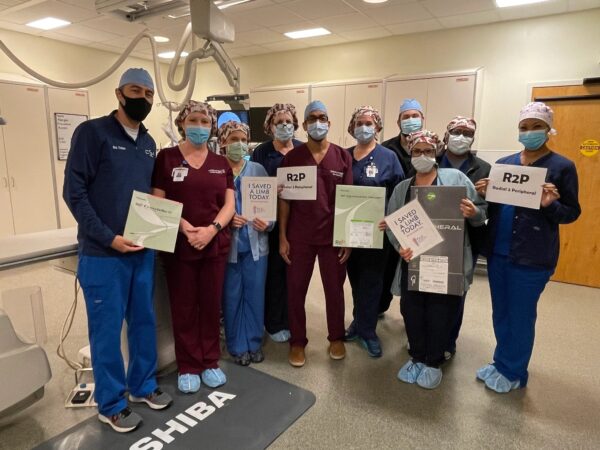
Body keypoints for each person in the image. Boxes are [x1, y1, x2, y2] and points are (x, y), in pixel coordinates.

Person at [63, 68, 172, 433]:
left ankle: (142, 386)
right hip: (102, 254)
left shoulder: (148, 143)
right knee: (106, 331)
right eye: (134, 90)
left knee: (143, 321)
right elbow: (74, 193)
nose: (142, 97)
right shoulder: (92, 134)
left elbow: (149, 195)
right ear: (119, 93)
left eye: (148, 92)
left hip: (142, 251)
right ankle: (110, 403)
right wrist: (108, 237)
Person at [475, 102, 580, 393]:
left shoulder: (562, 167)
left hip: (532, 256)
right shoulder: (505, 164)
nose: (529, 132)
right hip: (499, 251)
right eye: (524, 127)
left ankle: (514, 371)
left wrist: (551, 205)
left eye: (536, 127)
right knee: (501, 312)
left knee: (521, 314)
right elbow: (497, 207)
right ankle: (501, 361)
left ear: (548, 130)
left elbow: (572, 213)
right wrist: (486, 192)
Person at [386, 130, 486, 389]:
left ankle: (433, 361)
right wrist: (401, 247)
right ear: (410, 153)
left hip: (446, 262)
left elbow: (482, 213)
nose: (422, 156)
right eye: (417, 151)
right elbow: (394, 223)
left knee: (441, 311)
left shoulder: (455, 179)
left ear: (436, 152)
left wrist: (473, 211)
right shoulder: (403, 188)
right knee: (413, 310)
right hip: (414, 262)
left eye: (428, 151)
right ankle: (417, 356)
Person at [151, 100, 235, 393]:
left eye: (205, 121)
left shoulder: (221, 163)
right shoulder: (167, 158)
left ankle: (210, 361)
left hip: (214, 244)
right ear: (182, 124)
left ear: (212, 126)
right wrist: (185, 227)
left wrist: (211, 230)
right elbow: (158, 199)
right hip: (179, 243)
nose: (199, 126)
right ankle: (187, 365)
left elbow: (229, 204)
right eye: (194, 120)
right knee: (183, 306)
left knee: (211, 305)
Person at [279, 100, 353, 367]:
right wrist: (283, 237)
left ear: (329, 124)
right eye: (312, 118)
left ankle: (336, 338)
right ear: (305, 124)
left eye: (322, 117)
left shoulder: (343, 157)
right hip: (299, 235)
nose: (317, 122)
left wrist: (347, 238)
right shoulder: (293, 158)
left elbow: (349, 201)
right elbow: (285, 200)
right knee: (296, 290)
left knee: (335, 290)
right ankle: (297, 342)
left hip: (333, 237)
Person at [343, 106, 404, 358]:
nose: (363, 127)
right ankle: (359, 322)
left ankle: (368, 331)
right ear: (351, 127)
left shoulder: (388, 157)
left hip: (377, 233)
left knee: (372, 280)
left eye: (369, 123)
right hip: (347, 231)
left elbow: (400, 194)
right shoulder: (344, 156)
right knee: (355, 279)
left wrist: (390, 219)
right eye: (359, 122)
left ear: (377, 127)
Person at [219, 120, 273, 366]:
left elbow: (270, 209)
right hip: (228, 246)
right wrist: (226, 221)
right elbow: (209, 207)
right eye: (233, 140)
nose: (239, 144)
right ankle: (237, 345)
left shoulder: (258, 170)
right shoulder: (217, 171)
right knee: (232, 297)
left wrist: (268, 223)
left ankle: (253, 342)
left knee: (255, 295)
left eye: (243, 139)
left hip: (256, 247)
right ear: (223, 142)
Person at [438, 116, 491, 359]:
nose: (461, 136)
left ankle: (448, 341)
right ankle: (423, 334)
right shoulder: (430, 159)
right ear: (446, 135)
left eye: (467, 133)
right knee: (427, 289)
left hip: (465, 242)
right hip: (431, 240)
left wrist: (475, 212)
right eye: (456, 131)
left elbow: (490, 209)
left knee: (456, 293)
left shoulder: (483, 169)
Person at [252, 103, 304, 343]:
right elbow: (254, 186)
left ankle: (292, 318)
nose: (284, 125)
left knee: (296, 275)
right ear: (270, 127)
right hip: (270, 222)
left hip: (301, 221)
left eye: (288, 121)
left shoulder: (304, 149)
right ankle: (274, 322)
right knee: (275, 275)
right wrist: (273, 189)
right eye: (278, 122)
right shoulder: (262, 153)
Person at [379, 98, 424, 316]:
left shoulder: (431, 148)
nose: (411, 120)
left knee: (414, 272)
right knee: (386, 270)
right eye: (406, 117)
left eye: (415, 116)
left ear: (422, 119)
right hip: (391, 218)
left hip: (420, 222)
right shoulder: (387, 149)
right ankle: (379, 309)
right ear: (398, 121)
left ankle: (413, 320)